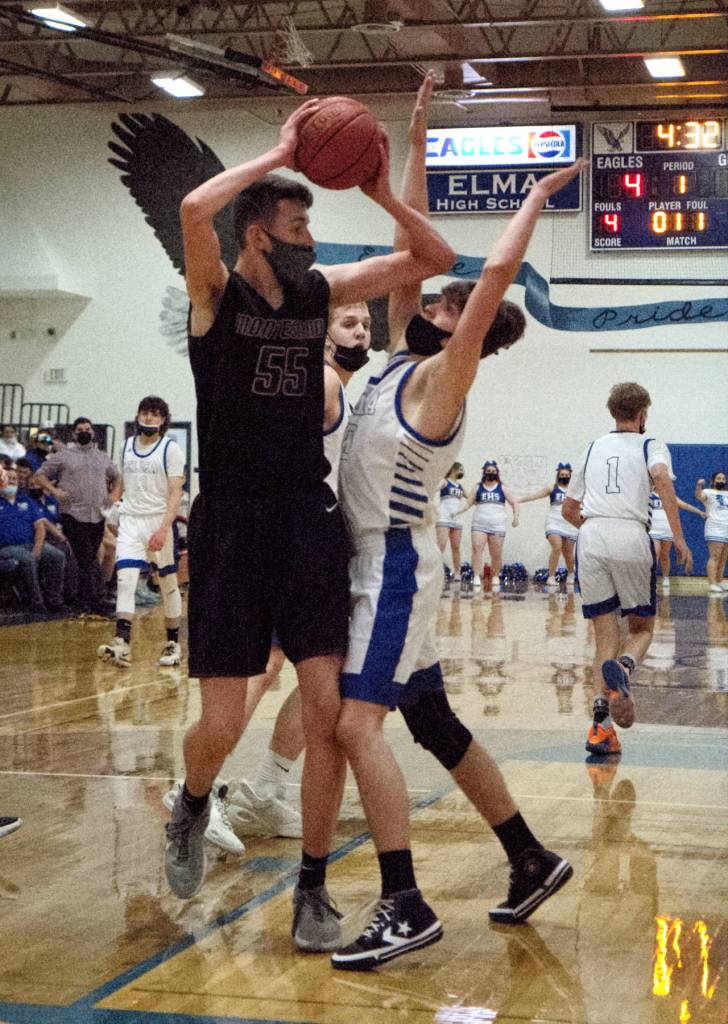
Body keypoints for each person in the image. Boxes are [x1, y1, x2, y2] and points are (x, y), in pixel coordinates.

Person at [164, 86, 454, 958]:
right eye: (297, 229)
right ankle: (191, 802)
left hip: (306, 521)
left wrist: (376, 190)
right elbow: (190, 206)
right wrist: (281, 148)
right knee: (223, 721)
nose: (312, 242)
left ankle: (313, 887)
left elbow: (430, 254)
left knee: (327, 709)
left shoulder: (319, 292)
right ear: (258, 236)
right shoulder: (215, 296)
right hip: (230, 528)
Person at [330, 73, 581, 971]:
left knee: (357, 729)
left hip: (391, 566)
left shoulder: (444, 376)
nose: (436, 298)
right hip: (382, 563)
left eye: (450, 302)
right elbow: (412, 246)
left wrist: (535, 198)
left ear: (469, 328)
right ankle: (530, 856)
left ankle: (404, 902)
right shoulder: (402, 354)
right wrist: (418, 134)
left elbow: (496, 277)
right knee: (432, 721)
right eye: (438, 299)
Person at [227, 300, 372, 840]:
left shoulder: (333, 383)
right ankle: (198, 793)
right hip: (293, 538)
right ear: (322, 333)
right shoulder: (320, 382)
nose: (360, 333)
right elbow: (272, 459)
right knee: (265, 667)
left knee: (322, 678)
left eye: (364, 324)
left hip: (315, 538)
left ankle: (265, 787)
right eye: (348, 324)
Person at [562, 383, 693, 758]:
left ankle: (601, 729)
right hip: (631, 536)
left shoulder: (591, 447)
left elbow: (570, 510)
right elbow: (663, 481)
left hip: (591, 537)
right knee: (641, 628)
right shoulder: (651, 443)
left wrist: (595, 531)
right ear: (643, 414)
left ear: (612, 413)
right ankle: (625, 664)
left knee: (603, 638)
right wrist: (680, 538)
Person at [97, 396, 186, 667]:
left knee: (167, 584)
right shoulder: (125, 446)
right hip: (131, 520)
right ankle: (122, 641)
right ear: (138, 416)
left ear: (163, 420)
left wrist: (163, 528)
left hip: (158, 520)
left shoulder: (170, 449)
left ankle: (172, 642)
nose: (149, 418)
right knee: (125, 579)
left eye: (155, 414)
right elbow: (123, 480)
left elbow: (175, 493)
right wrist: (113, 503)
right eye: (145, 413)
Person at [36, 417, 121, 614]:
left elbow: (117, 477)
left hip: (97, 516)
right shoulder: (64, 455)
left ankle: (86, 600)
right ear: (74, 434)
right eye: (80, 429)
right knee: (86, 558)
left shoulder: (102, 456)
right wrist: (55, 491)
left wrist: (113, 495)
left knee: (89, 557)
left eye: (88, 429)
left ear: (92, 432)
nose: (85, 432)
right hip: (73, 515)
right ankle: (97, 598)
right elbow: (40, 476)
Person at [0, 464, 65, 612]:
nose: (12, 481)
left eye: (15, 479)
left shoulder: (26, 501)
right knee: (29, 559)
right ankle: (37, 603)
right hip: (7, 548)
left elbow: (40, 527)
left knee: (57, 556)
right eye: (8, 478)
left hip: (30, 544)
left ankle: (54, 599)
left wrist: (37, 547)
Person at [457, 460, 519, 589]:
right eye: (488, 471)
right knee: (477, 549)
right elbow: (468, 503)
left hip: (497, 525)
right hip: (479, 524)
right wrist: (457, 511)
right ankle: (476, 575)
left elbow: (514, 502)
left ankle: (495, 575)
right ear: (484, 472)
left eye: (493, 471)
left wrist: (516, 518)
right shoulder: (477, 487)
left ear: (497, 473)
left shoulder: (502, 487)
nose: (490, 473)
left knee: (496, 553)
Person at [519, 463, 578, 585]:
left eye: (567, 475)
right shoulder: (552, 488)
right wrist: (519, 500)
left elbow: (582, 504)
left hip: (569, 524)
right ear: (558, 475)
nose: (564, 476)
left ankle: (571, 574)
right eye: (562, 474)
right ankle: (551, 576)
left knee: (568, 553)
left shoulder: (575, 491)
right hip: (554, 522)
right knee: (556, 547)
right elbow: (535, 495)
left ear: (571, 476)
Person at [648, 485, 705, 591]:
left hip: (667, 530)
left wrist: (700, 512)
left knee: (665, 555)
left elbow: (685, 505)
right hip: (653, 530)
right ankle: (652, 578)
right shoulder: (649, 495)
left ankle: (665, 577)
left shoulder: (670, 496)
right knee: (655, 553)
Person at [695, 471, 728, 593]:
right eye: (719, 478)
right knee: (715, 556)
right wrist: (699, 485)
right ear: (713, 481)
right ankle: (712, 583)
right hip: (715, 527)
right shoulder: (708, 492)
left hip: (727, 528)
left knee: (724, 558)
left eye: (723, 479)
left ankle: (720, 581)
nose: (721, 480)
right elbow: (699, 496)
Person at [435, 462, 466, 580]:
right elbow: (433, 489)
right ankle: (436, 572)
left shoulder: (460, 487)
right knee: (441, 545)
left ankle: (457, 572)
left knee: (456, 547)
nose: (462, 471)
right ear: (453, 469)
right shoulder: (445, 481)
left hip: (457, 519)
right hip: (444, 517)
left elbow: (471, 498)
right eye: (460, 469)